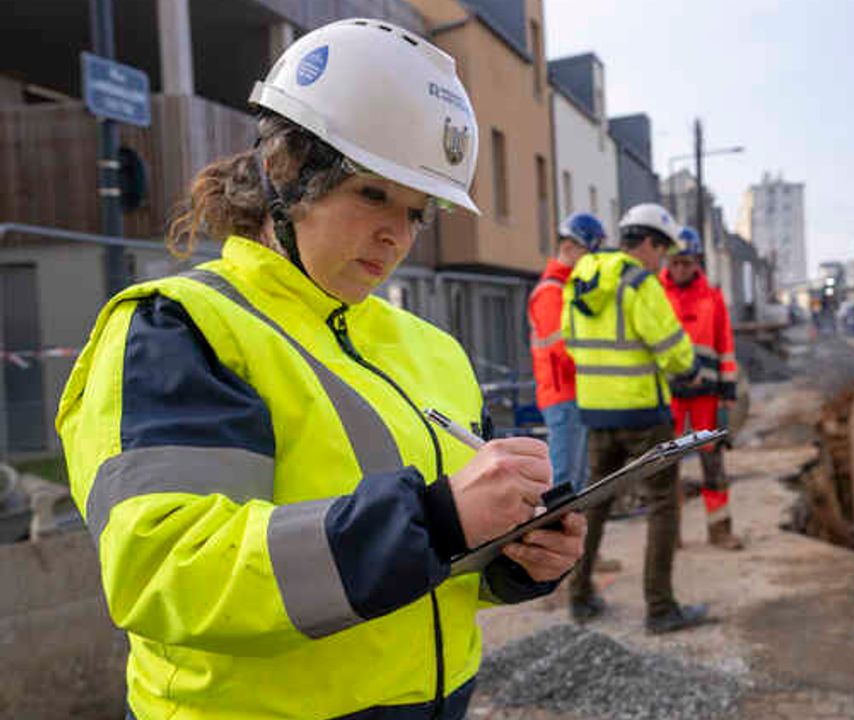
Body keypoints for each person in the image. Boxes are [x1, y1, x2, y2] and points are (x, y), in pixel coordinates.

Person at [56, 20, 583, 720]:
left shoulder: (430, 348)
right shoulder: (183, 329)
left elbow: (432, 565)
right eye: (373, 194)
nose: (396, 233)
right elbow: (166, 573)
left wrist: (511, 560)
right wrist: (434, 519)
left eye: (417, 212)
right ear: (285, 170)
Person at [562, 202, 711, 634]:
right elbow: (672, 347)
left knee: (595, 505)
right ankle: (660, 608)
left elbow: (571, 343)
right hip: (645, 412)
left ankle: (580, 596)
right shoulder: (639, 283)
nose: (661, 260)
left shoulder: (582, 277)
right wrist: (690, 371)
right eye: (661, 250)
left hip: (596, 413)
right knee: (663, 505)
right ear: (648, 242)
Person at [659, 226, 744, 550]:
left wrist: (729, 390)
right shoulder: (655, 294)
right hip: (669, 396)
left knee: (713, 463)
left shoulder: (712, 298)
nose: (680, 268)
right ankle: (671, 535)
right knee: (667, 465)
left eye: (687, 262)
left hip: (707, 396)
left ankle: (720, 530)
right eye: (676, 262)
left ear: (697, 262)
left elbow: (725, 346)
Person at [528, 213, 605, 491]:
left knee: (575, 481)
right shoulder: (552, 292)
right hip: (564, 396)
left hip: (571, 395)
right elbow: (562, 350)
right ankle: (551, 533)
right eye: (589, 253)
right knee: (563, 483)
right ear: (570, 247)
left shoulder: (567, 289)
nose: (593, 262)